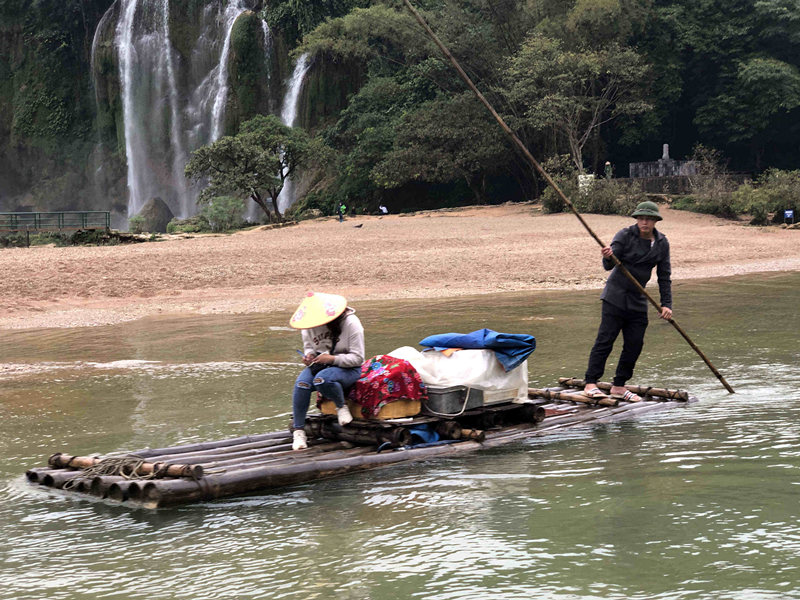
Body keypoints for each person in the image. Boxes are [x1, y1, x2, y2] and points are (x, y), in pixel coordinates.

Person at [582, 201, 672, 402]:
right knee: (605, 340)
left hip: (638, 300)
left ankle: (619, 386)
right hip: (615, 297)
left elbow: (664, 276)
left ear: (655, 221)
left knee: (635, 344)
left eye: (648, 219)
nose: (644, 222)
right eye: (641, 218)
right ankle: (590, 383)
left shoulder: (661, 243)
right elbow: (609, 265)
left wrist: (666, 304)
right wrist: (608, 257)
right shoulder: (625, 235)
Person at [288, 292, 365, 450]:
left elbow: (358, 358)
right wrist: (309, 356)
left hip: (348, 368)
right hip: (321, 364)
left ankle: (341, 406)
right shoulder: (308, 325)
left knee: (322, 379)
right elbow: (309, 347)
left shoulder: (351, 323)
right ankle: (299, 431)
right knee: (301, 384)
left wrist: (332, 359)